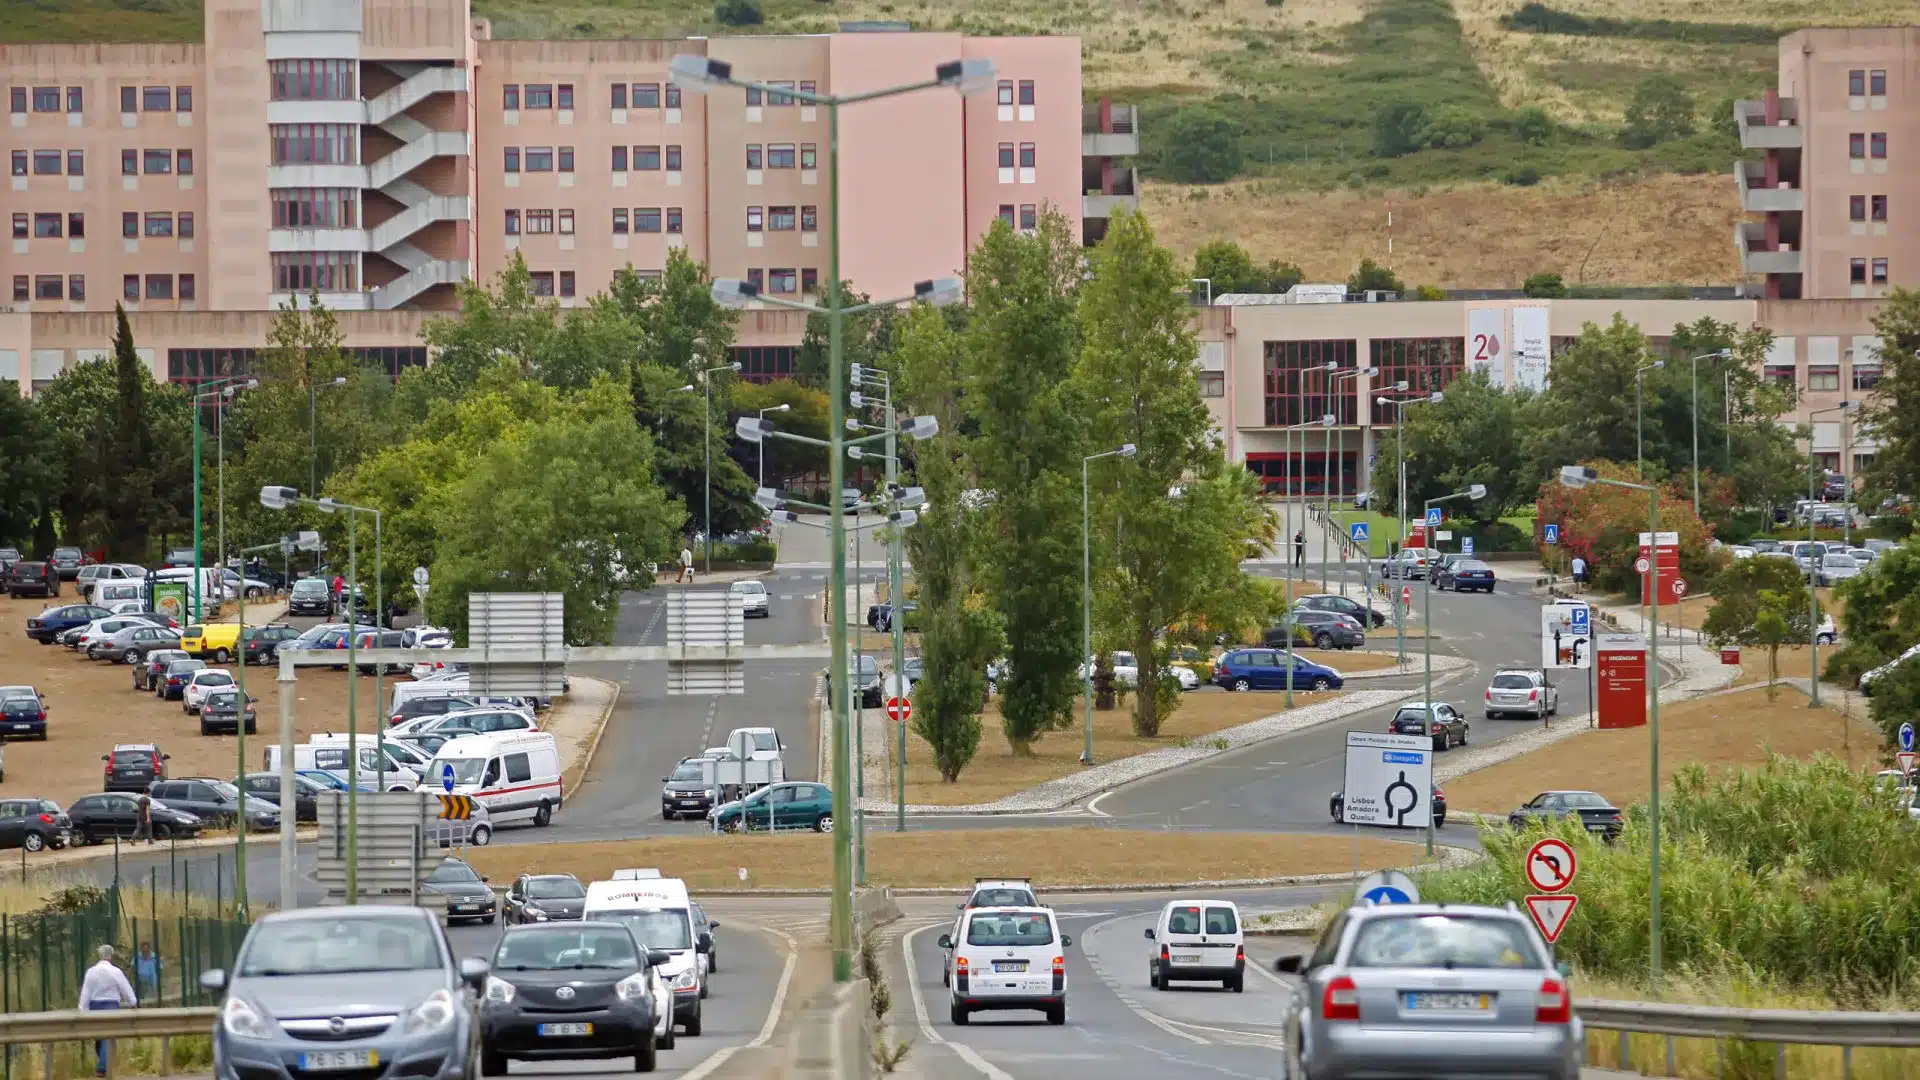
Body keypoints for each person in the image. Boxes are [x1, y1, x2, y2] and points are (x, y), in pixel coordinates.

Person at [79, 944, 137, 1076]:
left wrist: (82, 1009)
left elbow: (86, 992)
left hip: (95, 1006)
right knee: (108, 1036)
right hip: (111, 1007)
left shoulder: (91, 972)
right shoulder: (115, 971)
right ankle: (103, 1067)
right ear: (111, 956)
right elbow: (125, 988)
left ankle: (103, 1065)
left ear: (99, 955)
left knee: (99, 1038)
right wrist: (132, 1002)